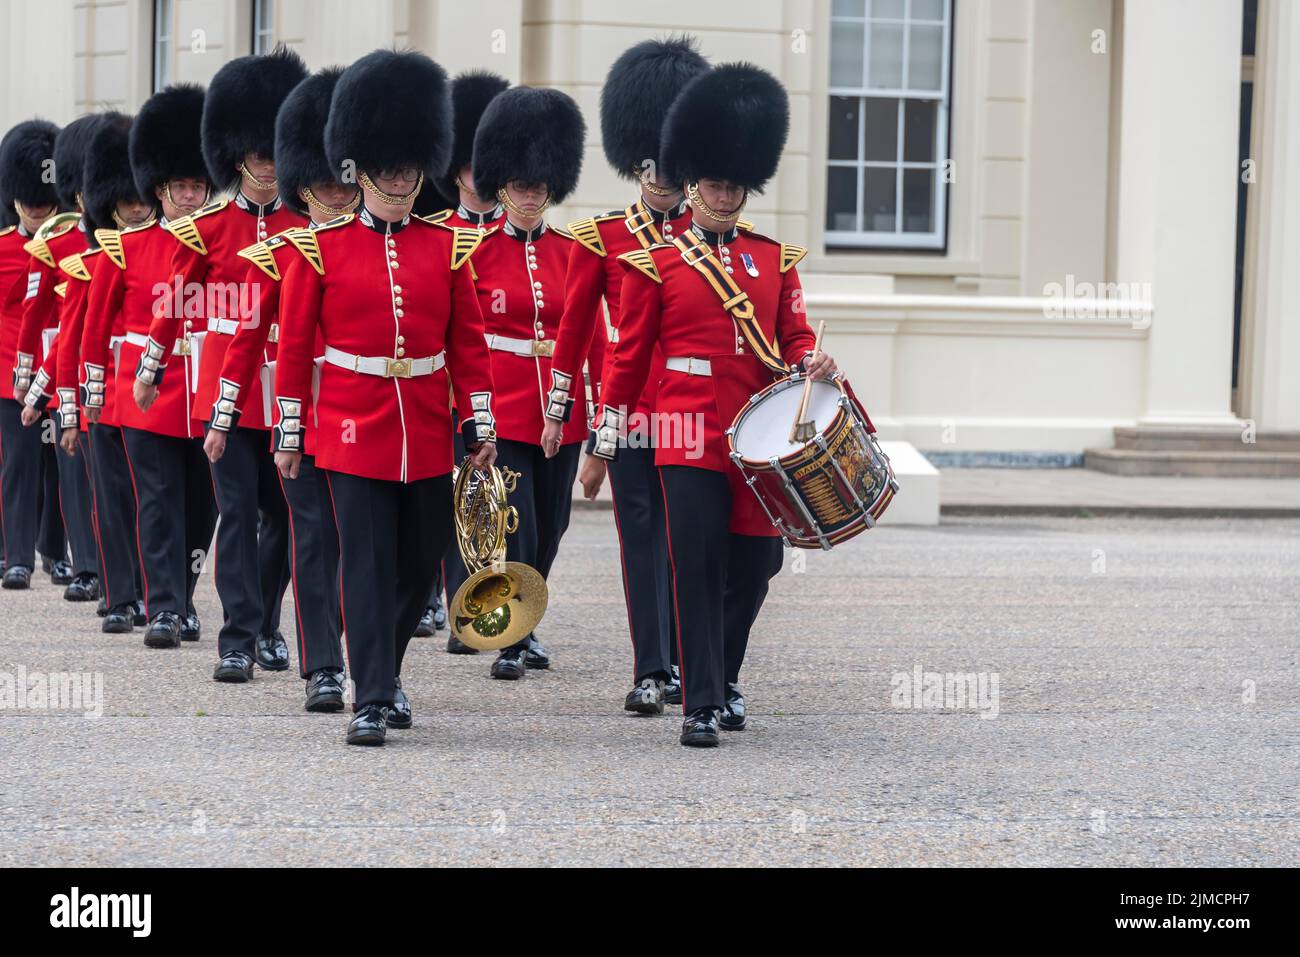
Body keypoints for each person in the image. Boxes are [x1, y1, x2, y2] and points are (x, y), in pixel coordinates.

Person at [589, 64, 837, 747]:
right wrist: (603, 444)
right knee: (694, 564)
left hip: (754, 436)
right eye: (715, 183)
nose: (725, 194)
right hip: (682, 431)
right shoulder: (655, 264)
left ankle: (723, 674)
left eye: (735, 185)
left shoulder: (773, 260)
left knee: (757, 566)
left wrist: (811, 358)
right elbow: (627, 359)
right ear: (692, 182)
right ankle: (701, 701)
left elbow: (794, 335)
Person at [273, 49, 497, 746]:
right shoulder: (321, 247)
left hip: (425, 425)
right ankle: (371, 695)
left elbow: (468, 343)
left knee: (417, 563)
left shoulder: (448, 245)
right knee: (364, 563)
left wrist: (478, 420)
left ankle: (386, 668)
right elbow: (294, 346)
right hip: (348, 424)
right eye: (389, 166)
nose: (401, 178)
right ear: (361, 166)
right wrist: (289, 431)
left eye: (409, 166)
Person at [541, 36, 710, 714]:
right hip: (630, 410)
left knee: (688, 535)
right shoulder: (603, 239)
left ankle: (695, 661)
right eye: (652, 165)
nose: (662, 177)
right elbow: (576, 329)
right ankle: (653, 666)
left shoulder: (713, 235)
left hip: (697, 409)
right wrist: (563, 410)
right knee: (640, 533)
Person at [135, 49, 307, 681]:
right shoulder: (208, 226)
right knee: (236, 511)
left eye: (273, 152)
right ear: (240, 156)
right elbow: (175, 301)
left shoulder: (305, 225)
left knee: (285, 515)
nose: (267, 164)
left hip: (286, 390)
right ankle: (236, 637)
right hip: (225, 391)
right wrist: (152, 368)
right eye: (259, 155)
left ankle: (266, 620)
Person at [221, 65, 358, 709]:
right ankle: (313, 661)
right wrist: (225, 415)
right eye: (325, 185)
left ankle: (360, 650)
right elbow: (249, 335)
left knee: (358, 540)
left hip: (374, 416)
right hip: (298, 408)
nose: (337, 194)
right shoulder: (291, 249)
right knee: (307, 530)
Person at [81, 83, 218, 649]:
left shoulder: (220, 245)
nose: (189, 196)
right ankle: (162, 606)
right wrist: (90, 394)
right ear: (160, 189)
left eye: (196, 185)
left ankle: (183, 596)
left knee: (201, 507)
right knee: (156, 503)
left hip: (203, 389)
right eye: (180, 186)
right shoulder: (126, 248)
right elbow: (95, 327)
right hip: (147, 392)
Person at [466, 84, 594, 680]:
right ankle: (511, 635)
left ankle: (525, 617)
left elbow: (588, 334)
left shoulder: (573, 252)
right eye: (520, 185)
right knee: (520, 523)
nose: (531, 194)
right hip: (509, 404)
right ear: (502, 186)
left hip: (562, 407)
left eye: (540, 185)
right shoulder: (475, 252)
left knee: (553, 524)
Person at [414, 69, 509, 651]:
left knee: (488, 507)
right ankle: (436, 600)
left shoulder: (518, 234)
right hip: (437, 388)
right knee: (442, 503)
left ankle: (479, 614)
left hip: (496, 389)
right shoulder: (437, 233)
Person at [62, 112, 150, 633]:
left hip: (147, 394)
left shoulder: (165, 254)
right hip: (104, 395)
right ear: (108, 207)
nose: (137, 211)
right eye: (127, 203)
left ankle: (156, 591)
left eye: (142, 200)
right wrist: (73, 412)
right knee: (112, 501)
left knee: (154, 500)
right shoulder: (91, 264)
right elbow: (74, 342)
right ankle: (121, 596)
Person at [18, 114, 106, 605]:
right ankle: (87, 564)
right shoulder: (56, 243)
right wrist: (35, 381)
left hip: (117, 372)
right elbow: (49, 322)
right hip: (70, 373)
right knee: (75, 477)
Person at [0, 120, 69, 590]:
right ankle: (17, 554)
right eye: (32, 204)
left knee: (60, 465)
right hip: (12, 373)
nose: (39, 212)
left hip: (60, 366)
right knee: (20, 463)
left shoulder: (70, 246)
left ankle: (55, 551)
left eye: (46, 204)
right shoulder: (4, 248)